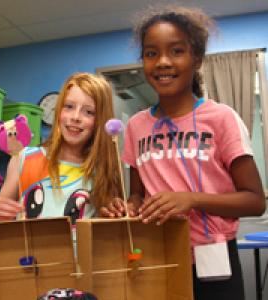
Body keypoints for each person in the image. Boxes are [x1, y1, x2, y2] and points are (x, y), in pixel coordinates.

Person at [100, 5, 266, 300]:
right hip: (155, 252)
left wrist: (190, 199)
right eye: (151, 53)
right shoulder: (137, 126)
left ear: (197, 59)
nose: (163, 62)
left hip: (213, 257)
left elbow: (255, 201)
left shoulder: (221, 118)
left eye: (176, 51)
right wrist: (127, 207)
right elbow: (137, 196)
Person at [0, 72, 121, 223]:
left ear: (100, 121)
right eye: (68, 106)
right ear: (58, 111)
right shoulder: (23, 159)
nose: (75, 117)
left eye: (89, 112)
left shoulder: (102, 170)